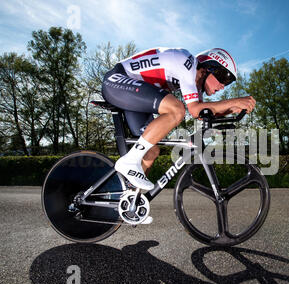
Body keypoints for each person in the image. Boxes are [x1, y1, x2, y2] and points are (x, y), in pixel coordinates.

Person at [101, 47, 256, 191]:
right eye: (223, 77)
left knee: (151, 151)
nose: (223, 86)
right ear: (208, 68)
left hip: (134, 93)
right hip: (117, 80)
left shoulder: (195, 84)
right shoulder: (186, 63)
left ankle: (129, 201)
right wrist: (233, 102)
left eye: (228, 83)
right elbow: (194, 110)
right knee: (176, 109)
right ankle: (128, 162)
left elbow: (204, 113)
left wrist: (230, 110)